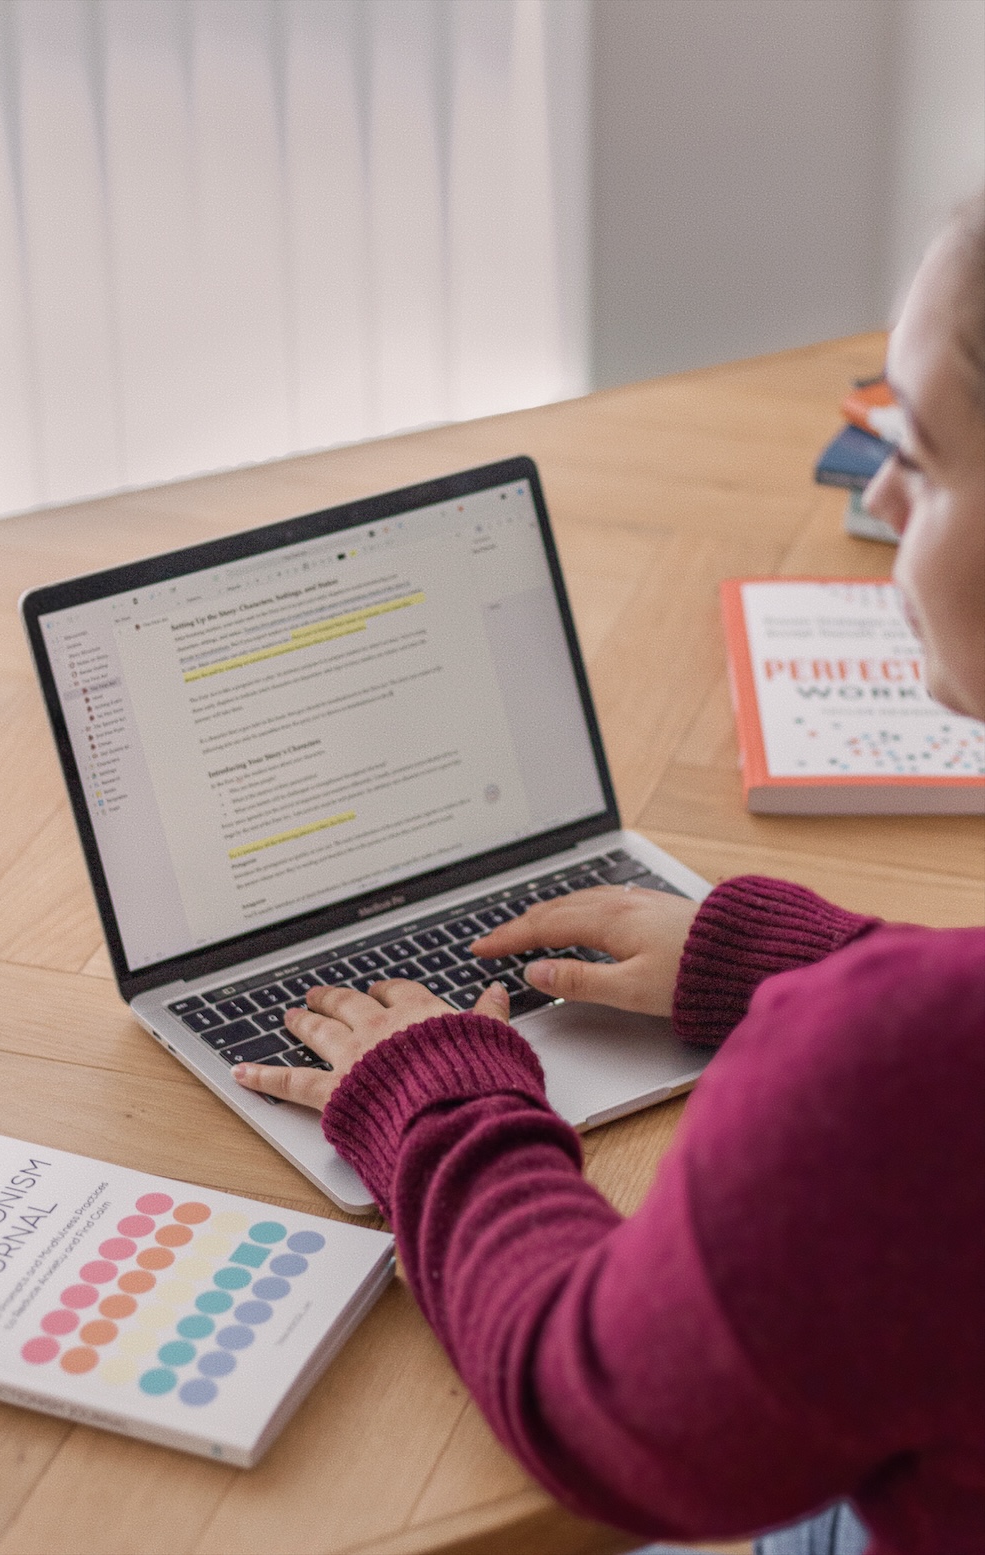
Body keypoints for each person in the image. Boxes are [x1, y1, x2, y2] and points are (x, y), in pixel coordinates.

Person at [234, 195, 985, 1555]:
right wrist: (793, 962)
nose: (874, 498)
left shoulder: (904, 1084)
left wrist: (436, 1099)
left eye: (923, 464)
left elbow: (594, 1409)